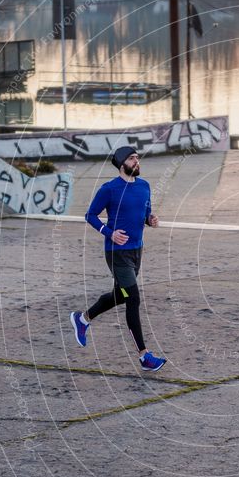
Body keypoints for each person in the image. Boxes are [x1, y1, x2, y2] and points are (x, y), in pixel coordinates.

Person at [70, 146, 167, 371]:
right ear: (122, 163)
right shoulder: (109, 189)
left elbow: (145, 214)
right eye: (132, 158)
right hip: (116, 254)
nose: (137, 161)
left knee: (120, 295)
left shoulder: (144, 186)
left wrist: (150, 220)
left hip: (136, 251)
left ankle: (82, 319)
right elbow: (90, 215)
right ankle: (144, 356)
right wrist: (109, 232)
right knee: (133, 298)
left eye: (137, 158)